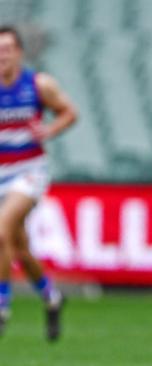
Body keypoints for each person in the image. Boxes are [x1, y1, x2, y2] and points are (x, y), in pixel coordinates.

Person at [0, 25, 76, 341]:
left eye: (7, 49)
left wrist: (49, 131)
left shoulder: (38, 84)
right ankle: (51, 295)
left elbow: (69, 112)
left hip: (28, 172)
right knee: (17, 248)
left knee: (1, 230)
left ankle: (2, 305)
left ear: (19, 52)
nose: (2, 55)